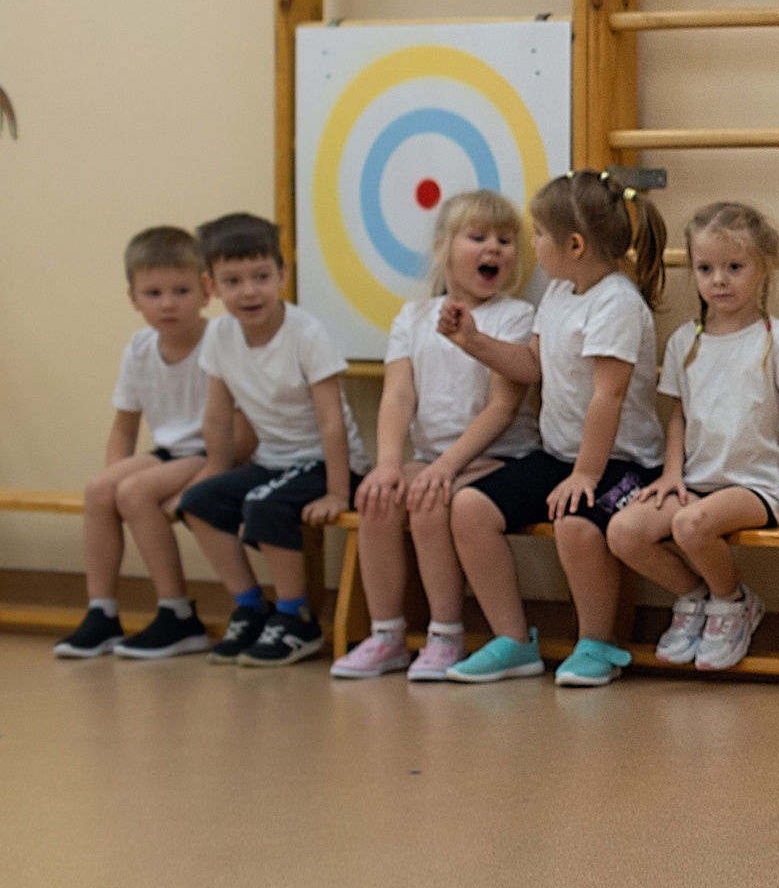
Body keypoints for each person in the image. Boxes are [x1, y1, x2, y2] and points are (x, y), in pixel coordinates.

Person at [442, 171, 668, 688]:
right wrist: (473, 341)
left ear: (574, 244)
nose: (533, 244)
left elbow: (607, 397)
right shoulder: (560, 291)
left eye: (539, 234)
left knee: (573, 522)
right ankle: (513, 640)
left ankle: (597, 643)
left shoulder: (617, 302)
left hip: (623, 462)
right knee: (470, 508)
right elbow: (530, 365)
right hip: (562, 456)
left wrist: (587, 475)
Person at [612, 201, 779, 671]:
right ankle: (696, 597)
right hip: (695, 482)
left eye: (734, 267)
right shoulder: (684, 341)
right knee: (624, 531)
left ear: (764, 267)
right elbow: (677, 419)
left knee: (689, 525)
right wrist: (671, 474)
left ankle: (731, 601)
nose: (719, 279)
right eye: (706, 268)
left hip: (756, 488)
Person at [331, 192, 540, 681]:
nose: (495, 248)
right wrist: (387, 462)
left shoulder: (514, 317)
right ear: (444, 248)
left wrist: (446, 467)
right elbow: (398, 397)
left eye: (505, 240)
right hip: (430, 456)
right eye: (479, 237)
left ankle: (445, 635)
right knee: (379, 498)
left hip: (498, 456)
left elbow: (502, 408)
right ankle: (387, 636)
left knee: (429, 499)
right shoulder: (414, 318)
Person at [175, 213, 373, 667]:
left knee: (262, 505)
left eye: (262, 277)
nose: (249, 291)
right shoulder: (221, 336)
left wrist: (338, 491)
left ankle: (296, 617)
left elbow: (330, 421)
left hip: (326, 463)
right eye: (233, 280)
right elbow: (217, 416)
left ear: (283, 275)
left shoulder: (306, 333)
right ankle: (250, 607)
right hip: (273, 461)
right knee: (199, 503)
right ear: (212, 287)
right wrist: (213, 472)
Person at [58, 227, 231, 661]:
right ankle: (102, 614)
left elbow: (237, 427)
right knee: (101, 488)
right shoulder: (139, 348)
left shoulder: (220, 340)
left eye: (181, 290)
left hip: (209, 451)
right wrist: (112, 475)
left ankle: (177, 615)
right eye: (153, 293)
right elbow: (124, 427)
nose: (168, 303)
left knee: (134, 493)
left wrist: (130, 485)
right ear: (134, 298)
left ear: (206, 290)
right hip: (167, 452)